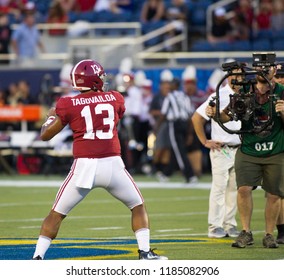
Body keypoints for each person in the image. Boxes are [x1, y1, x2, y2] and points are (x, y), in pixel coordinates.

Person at [32, 59, 168, 260]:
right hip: (113, 165)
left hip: (84, 167)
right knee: (137, 206)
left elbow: (45, 135)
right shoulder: (114, 98)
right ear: (94, 80)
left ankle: (37, 257)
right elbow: (113, 115)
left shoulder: (67, 104)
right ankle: (145, 253)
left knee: (57, 214)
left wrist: (51, 117)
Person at [206, 53, 284, 248]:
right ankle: (246, 231)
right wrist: (214, 115)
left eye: (267, 67)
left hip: (275, 150)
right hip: (248, 148)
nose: (263, 71)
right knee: (243, 189)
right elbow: (226, 117)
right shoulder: (245, 90)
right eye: (259, 67)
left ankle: (269, 234)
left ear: (274, 69)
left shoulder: (283, 91)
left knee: (274, 194)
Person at [192, 68, 241, 238]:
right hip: (222, 149)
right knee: (220, 187)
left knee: (235, 188)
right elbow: (197, 118)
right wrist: (205, 141)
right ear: (227, 77)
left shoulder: (247, 95)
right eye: (233, 74)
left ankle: (230, 224)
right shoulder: (218, 95)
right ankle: (215, 226)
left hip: (241, 148)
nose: (236, 78)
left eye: (240, 74)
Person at [154, 74, 197, 184]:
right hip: (184, 124)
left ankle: (190, 175)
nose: (169, 86)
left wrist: (156, 128)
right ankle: (166, 173)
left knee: (179, 151)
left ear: (175, 85)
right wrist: (190, 133)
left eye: (171, 84)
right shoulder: (185, 96)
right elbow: (189, 114)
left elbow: (163, 114)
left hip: (174, 124)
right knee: (175, 149)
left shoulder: (170, 96)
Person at [273, 61, 284, 244]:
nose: (281, 80)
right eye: (278, 76)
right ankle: (281, 230)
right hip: (277, 149)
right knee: (277, 193)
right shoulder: (265, 97)